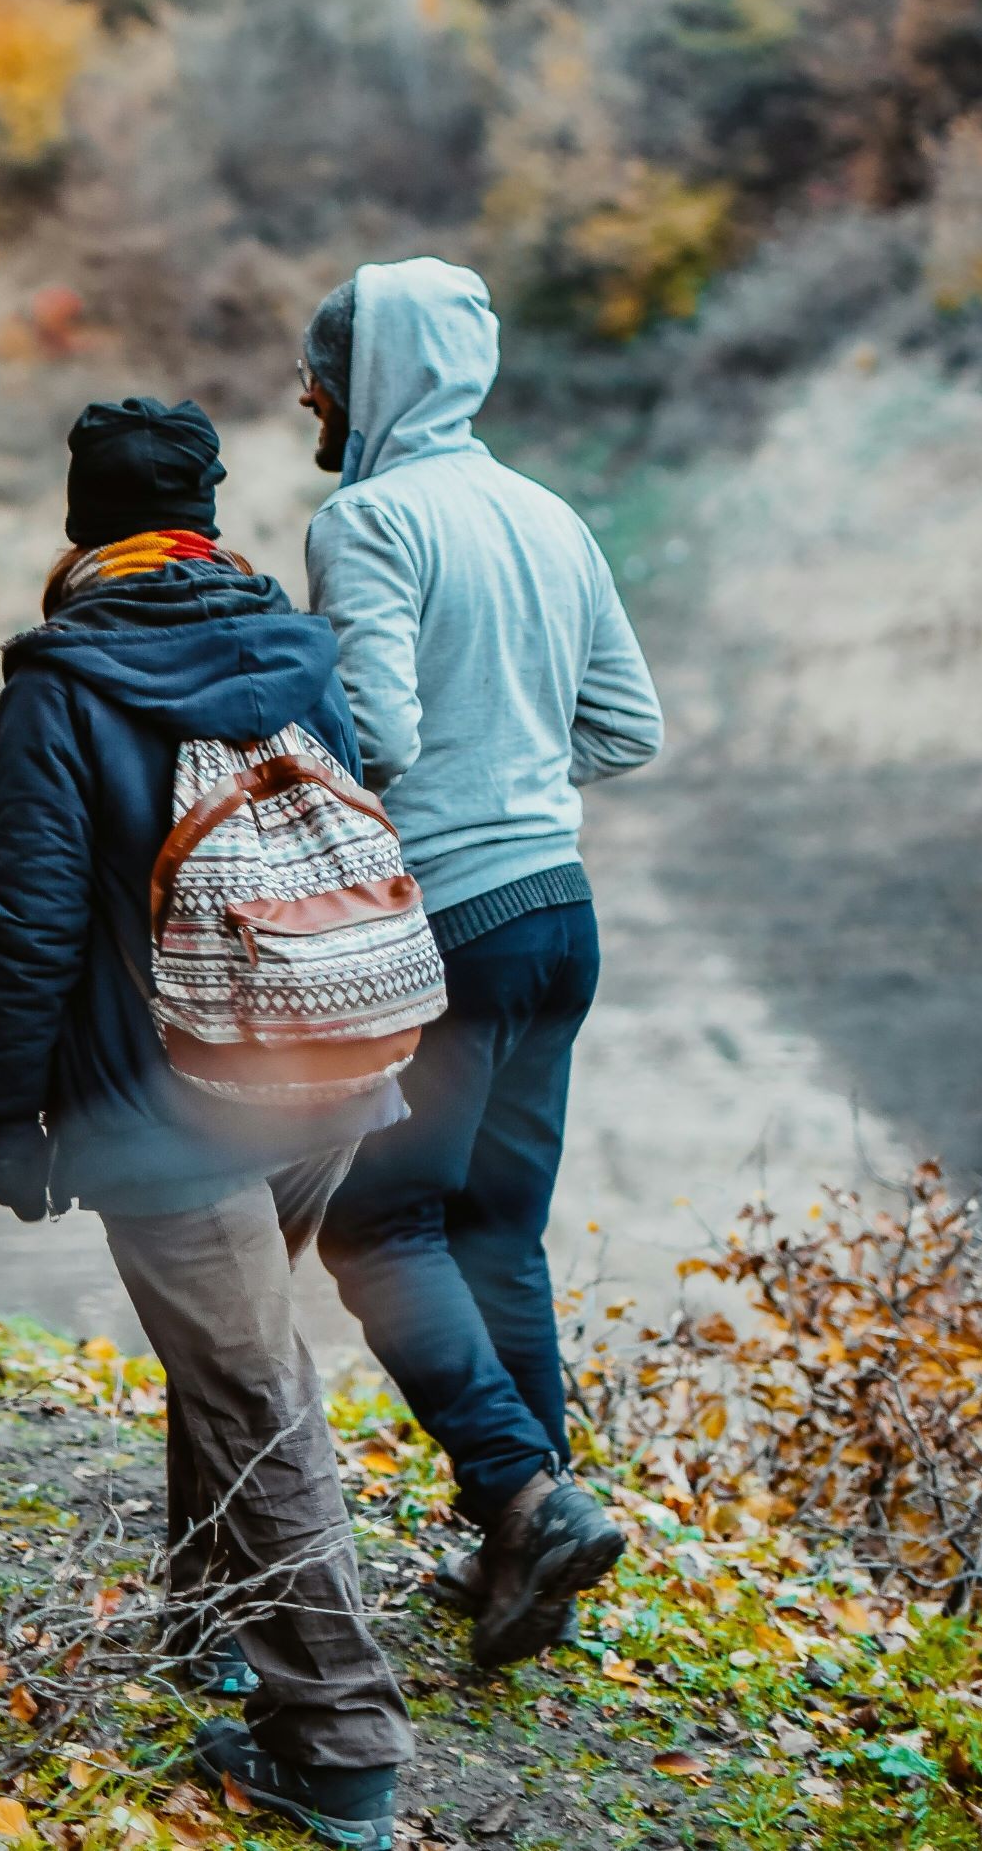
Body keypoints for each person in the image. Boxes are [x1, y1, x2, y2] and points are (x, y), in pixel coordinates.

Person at [0, 395, 414, 1849]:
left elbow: (33, 913)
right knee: (225, 1353)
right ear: (209, 513)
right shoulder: (293, 642)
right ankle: (211, 1625)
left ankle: (339, 1742)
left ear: (79, 519)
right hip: (324, 1060)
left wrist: (14, 1114)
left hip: (165, 1101)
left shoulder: (63, 677)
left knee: (248, 1380)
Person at [296, 260, 663, 1671]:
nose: (306, 395)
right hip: (560, 912)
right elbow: (625, 728)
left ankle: (523, 1492)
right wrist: (517, 769)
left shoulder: (369, 517)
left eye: (321, 370)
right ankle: (531, 1559)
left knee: (374, 1227)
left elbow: (374, 732)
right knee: (498, 1228)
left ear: (371, 377)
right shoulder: (548, 514)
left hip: (451, 923)